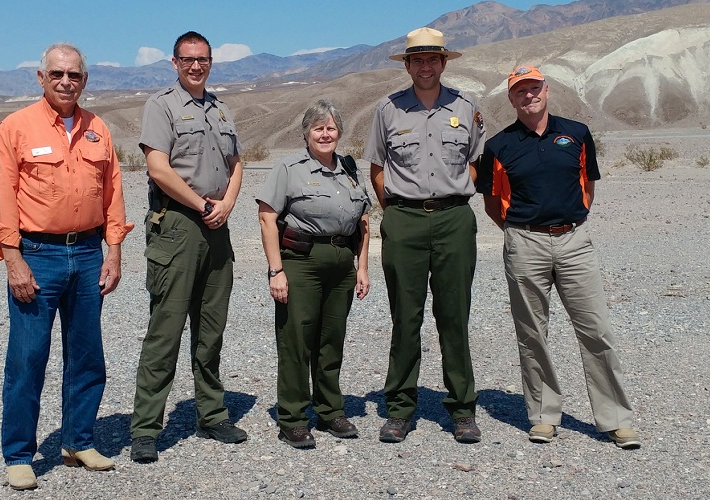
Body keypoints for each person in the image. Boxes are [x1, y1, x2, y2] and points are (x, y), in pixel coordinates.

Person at [0, 42, 134, 490]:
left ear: (85, 80)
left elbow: (112, 195)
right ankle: (18, 454)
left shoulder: (98, 129)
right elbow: (1, 200)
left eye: (74, 75)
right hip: (37, 255)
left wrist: (114, 250)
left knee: (87, 355)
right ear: (41, 77)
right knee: (28, 358)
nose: (66, 82)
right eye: (57, 74)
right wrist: (13, 260)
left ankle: (78, 441)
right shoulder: (16, 128)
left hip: (89, 253)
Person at [477, 66, 641, 449]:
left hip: (573, 241)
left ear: (546, 91)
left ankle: (616, 419)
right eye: (520, 91)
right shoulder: (499, 146)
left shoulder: (577, 134)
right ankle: (543, 416)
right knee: (532, 334)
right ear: (511, 99)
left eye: (534, 88)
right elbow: (491, 202)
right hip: (524, 244)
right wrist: (521, 232)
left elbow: (587, 186)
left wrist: (570, 222)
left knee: (596, 329)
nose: (528, 96)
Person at [362, 27, 485, 444]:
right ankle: (399, 408)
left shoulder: (466, 106)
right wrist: (396, 211)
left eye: (433, 59)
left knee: (454, 316)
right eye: (418, 60)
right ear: (408, 64)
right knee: (405, 317)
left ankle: (463, 409)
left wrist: (450, 196)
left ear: (444, 62)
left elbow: (474, 163)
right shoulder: (388, 110)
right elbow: (377, 168)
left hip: (454, 220)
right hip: (404, 221)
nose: (426, 66)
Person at [130, 31, 246, 463]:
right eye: (188, 59)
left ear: (211, 62)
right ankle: (145, 428)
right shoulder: (161, 105)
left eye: (203, 59)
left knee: (211, 328)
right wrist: (201, 204)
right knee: (166, 329)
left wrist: (228, 203)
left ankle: (211, 414)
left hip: (217, 225)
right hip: (178, 225)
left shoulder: (221, 109)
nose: (196, 66)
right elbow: (158, 169)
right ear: (174, 62)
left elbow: (237, 164)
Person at [256, 100, 372, 448]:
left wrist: (362, 266)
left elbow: (363, 221)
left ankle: (330, 410)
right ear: (305, 133)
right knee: (297, 339)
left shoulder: (349, 168)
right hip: (301, 261)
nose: (325, 133)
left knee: (331, 338)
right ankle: (292, 417)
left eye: (331, 127)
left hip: (341, 262)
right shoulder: (289, 168)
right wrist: (275, 270)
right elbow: (266, 217)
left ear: (340, 132)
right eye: (318, 128)